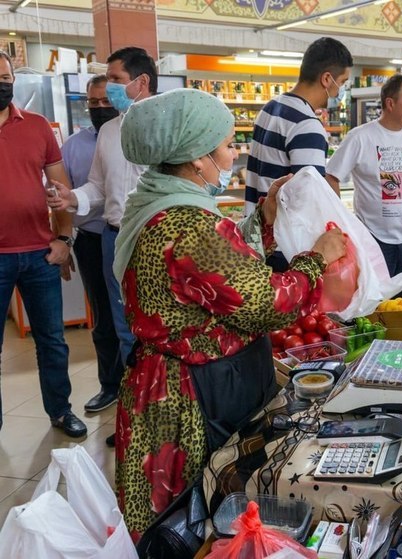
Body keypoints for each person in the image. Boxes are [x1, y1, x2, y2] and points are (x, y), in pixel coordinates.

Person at [111, 88, 346, 541]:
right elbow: (264, 303)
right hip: (193, 396)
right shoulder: (189, 224)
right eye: (224, 143)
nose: (232, 151)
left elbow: (216, 271)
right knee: (201, 518)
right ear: (196, 158)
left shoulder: (159, 203)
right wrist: (316, 258)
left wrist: (264, 217)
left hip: (172, 379)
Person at [48, 47, 157, 416]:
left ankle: (161, 406)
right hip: (113, 238)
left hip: (154, 239)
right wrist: (71, 197)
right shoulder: (109, 131)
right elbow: (97, 187)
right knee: (123, 325)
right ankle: (133, 409)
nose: (109, 87)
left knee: (157, 325)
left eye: (115, 80)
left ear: (142, 82)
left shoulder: (167, 123)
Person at [0, 50, 87, 437]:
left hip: (39, 255)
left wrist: (64, 238)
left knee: (52, 342)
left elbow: (60, 187)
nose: (2, 84)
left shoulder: (36, 127)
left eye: (5, 77)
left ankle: (60, 410)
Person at [326, 74, 402, 296]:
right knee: (375, 303)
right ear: (390, 103)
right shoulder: (360, 137)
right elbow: (331, 175)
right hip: (373, 239)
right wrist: (343, 220)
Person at [246, 37, 352, 271]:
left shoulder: (270, 107)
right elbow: (308, 201)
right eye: (342, 82)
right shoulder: (307, 125)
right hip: (287, 249)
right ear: (327, 79)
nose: (341, 90)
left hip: (259, 237)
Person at [61, 74, 122, 413]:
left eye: (105, 101)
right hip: (91, 239)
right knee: (103, 316)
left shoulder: (133, 136)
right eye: (93, 102)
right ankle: (109, 385)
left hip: (125, 237)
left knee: (130, 318)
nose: (99, 108)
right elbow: (65, 196)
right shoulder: (73, 146)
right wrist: (63, 239)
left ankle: (136, 387)